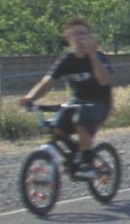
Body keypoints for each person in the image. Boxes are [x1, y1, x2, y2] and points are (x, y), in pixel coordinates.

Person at [19, 17, 114, 171]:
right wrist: (30, 97)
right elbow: (47, 82)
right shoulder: (66, 60)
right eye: (75, 34)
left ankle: (87, 163)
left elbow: (103, 80)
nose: (79, 38)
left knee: (81, 120)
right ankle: (81, 151)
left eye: (83, 34)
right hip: (76, 104)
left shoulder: (98, 57)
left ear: (89, 37)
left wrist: (92, 56)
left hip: (99, 105)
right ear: (68, 38)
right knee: (56, 126)